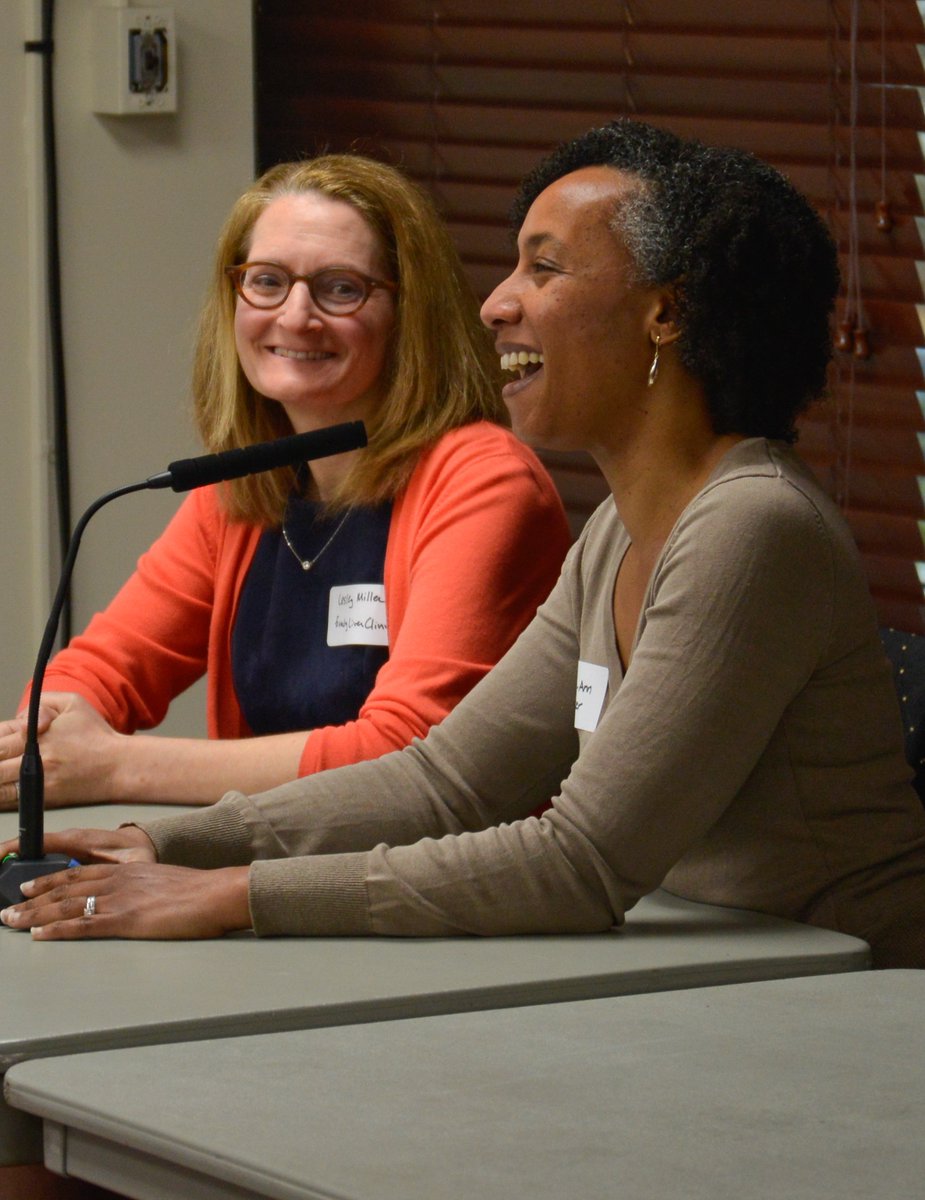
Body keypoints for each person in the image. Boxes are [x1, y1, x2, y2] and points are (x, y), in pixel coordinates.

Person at [4, 118, 925, 969]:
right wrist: (166, 843)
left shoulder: (752, 524)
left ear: (666, 312)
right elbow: (444, 781)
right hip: (711, 977)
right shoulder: (620, 529)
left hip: (840, 1003)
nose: (494, 306)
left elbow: (577, 861)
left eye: (544, 269)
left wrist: (224, 894)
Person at [0, 155, 570, 808]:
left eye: (340, 288)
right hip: (273, 868)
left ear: (408, 313)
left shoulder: (483, 481)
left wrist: (117, 767)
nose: (295, 317)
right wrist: (52, 734)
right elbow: (100, 668)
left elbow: (408, 751)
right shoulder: (249, 484)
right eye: (267, 281)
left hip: (442, 887)